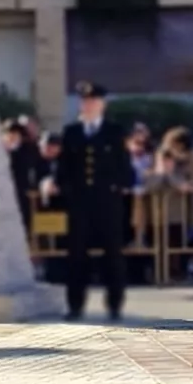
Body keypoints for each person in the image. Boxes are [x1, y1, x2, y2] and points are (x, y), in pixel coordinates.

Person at [46, 83, 133, 319]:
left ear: (102, 104)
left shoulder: (114, 132)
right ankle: (75, 305)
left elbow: (123, 165)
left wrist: (122, 185)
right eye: (85, 101)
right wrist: (58, 184)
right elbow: (64, 166)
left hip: (107, 202)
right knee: (76, 254)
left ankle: (115, 304)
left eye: (93, 101)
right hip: (79, 202)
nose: (89, 105)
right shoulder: (72, 132)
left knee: (112, 254)